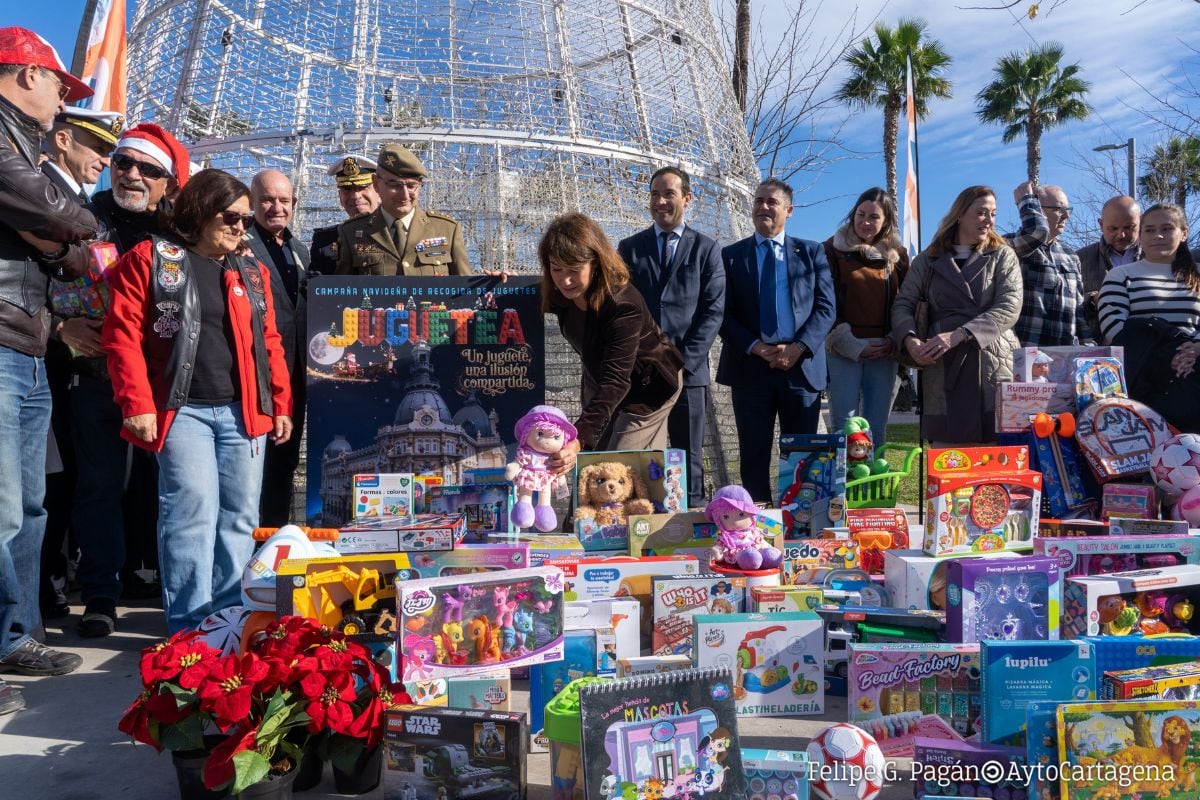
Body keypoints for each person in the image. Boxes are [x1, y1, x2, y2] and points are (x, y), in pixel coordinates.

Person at [102, 169, 292, 633]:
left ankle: (228, 620)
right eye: (231, 216)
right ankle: (188, 625)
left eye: (246, 220)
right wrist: (137, 404)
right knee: (191, 512)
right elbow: (122, 336)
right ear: (202, 210)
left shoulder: (251, 271)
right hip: (182, 409)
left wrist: (280, 403)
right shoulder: (150, 259)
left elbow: (268, 342)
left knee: (241, 516)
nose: (240, 228)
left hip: (242, 412)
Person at [45, 124, 191, 637]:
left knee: (163, 488)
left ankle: (162, 586)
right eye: (122, 163)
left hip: (164, 385)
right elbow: (39, 280)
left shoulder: (181, 233)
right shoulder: (80, 216)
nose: (130, 174)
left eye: (147, 169)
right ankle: (100, 594)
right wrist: (59, 325)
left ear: (168, 181)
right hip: (95, 377)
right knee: (99, 485)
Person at [0, 25, 98, 715]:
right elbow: (62, 215)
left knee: (28, 506)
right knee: (4, 508)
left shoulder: (25, 144)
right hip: (3, 340)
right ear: (26, 74)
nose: (64, 102)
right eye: (60, 86)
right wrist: (65, 226)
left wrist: (61, 231)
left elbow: (68, 248)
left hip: (30, 343)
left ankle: (17, 634)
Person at [38, 108, 123, 621]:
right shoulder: (36, 194)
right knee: (45, 487)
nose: (105, 162)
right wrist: (58, 329)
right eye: (98, 150)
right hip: (45, 363)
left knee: (92, 482)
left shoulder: (94, 209)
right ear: (64, 140)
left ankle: (92, 591)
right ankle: (47, 588)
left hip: (91, 371)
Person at [716, 178, 835, 504]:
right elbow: (721, 313)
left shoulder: (811, 253)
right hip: (750, 366)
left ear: (789, 210)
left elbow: (826, 309)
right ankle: (752, 524)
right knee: (753, 452)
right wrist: (755, 346)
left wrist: (797, 348)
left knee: (802, 455)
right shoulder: (731, 256)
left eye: (771, 202)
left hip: (801, 367)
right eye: (758, 201)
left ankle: (802, 522)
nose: (763, 207)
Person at [538, 213, 683, 475]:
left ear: (595, 263)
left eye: (574, 270)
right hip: (602, 377)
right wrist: (499, 283)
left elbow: (616, 381)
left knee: (611, 470)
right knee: (596, 460)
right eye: (556, 268)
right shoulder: (558, 293)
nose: (565, 280)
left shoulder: (623, 304)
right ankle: (583, 516)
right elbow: (522, 295)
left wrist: (577, 440)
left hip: (649, 386)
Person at [617, 166, 725, 507]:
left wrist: (680, 363)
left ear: (687, 199)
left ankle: (691, 514)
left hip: (689, 373)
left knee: (688, 452)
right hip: (641, 373)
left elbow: (712, 312)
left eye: (668, 194)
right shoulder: (629, 248)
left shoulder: (707, 249)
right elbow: (620, 305)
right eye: (654, 194)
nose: (660, 201)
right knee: (642, 453)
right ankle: (643, 517)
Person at [892, 185, 1023, 444]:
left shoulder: (1002, 255)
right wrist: (910, 340)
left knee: (995, 452)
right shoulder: (927, 260)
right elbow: (902, 304)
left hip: (992, 360)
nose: (989, 220)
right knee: (948, 455)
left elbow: (1010, 304)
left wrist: (962, 334)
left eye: (993, 213)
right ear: (960, 214)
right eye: (981, 212)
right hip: (941, 362)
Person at [246, 169, 310, 527]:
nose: (276, 207)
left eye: (283, 200)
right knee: (258, 463)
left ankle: (274, 535)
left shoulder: (298, 249)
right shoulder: (240, 245)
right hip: (257, 373)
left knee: (284, 463)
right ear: (252, 201)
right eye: (268, 199)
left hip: (295, 374)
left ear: (293, 204)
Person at [822, 187, 909, 448]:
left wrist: (895, 339)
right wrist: (851, 345)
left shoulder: (898, 256)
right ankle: (843, 488)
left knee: (875, 427)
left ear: (886, 222)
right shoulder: (831, 250)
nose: (865, 222)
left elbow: (908, 302)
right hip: (843, 351)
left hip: (884, 352)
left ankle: (876, 486)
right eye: (861, 214)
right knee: (845, 427)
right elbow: (823, 301)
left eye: (874, 217)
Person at [336, 143, 470, 276]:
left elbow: (466, 291)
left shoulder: (446, 230)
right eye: (395, 185)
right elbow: (341, 292)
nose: (405, 195)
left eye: (412, 186)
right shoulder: (351, 233)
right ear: (376, 184)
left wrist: (489, 286)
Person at [1098, 203, 1200, 346]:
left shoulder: (1197, 274)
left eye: (1166, 229)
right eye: (1149, 230)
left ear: (1184, 233)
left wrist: (1194, 350)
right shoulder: (1120, 275)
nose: (1158, 236)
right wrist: (1165, 356)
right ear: (1140, 235)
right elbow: (1114, 327)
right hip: (1143, 363)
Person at [1005, 182, 1085, 346]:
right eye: (1058, 209)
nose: (1066, 216)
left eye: (1067, 210)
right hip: (1025, 352)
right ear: (1037, 210)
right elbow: (1036, 234)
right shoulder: (1011, 245)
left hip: (1064, 356)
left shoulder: (1070, 255)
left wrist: (1087, 342)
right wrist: (1026, 201)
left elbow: (1079, 309)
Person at [1077, 195, 1141, 339]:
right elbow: (1069, 304)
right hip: (1098, 347)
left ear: (1140, 222)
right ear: (1100, 225)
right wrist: (1093, 299)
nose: (1121, 234)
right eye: (1113, 228)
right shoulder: (1080, 259)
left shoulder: (1155, 257)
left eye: (1129, 227)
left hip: (1149, 347)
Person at [308, 154, 379, 275]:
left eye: (363, 188)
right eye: (347, 189)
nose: (355, 196)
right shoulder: (325, 240)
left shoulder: (395, 233)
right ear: (340, 198)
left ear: (379, 192)